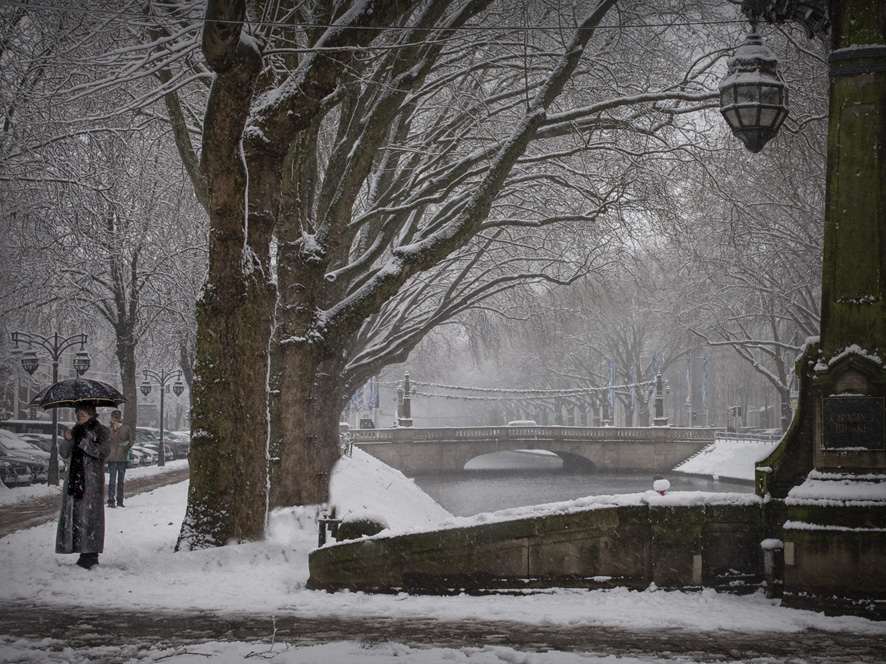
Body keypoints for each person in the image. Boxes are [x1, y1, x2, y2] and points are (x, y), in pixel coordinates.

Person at [56, 403, 110, 569]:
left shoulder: (101, 431)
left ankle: (91, 553)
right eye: (78, 415)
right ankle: (79, 550)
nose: (80, 418)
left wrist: (85, 443)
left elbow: (104, 452)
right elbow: (64, 453)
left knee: (91, 518)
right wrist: (67, 440)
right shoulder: (74, 431)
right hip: (74, 480)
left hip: (91, 482)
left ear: (92, 415)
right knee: (76, 517)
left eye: (83, 415)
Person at [106, 409, 133, 508]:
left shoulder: (126, 428)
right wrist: (114, 429)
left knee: (121, 480)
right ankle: (110, 500)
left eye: (118, 417)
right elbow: (108, 440)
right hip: (112, 458)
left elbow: (130, 440)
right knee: (112, 480)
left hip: (122, 458)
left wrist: (125, 447)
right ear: (112, 419)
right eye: (115, 417)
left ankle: (120, 500)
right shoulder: (108, 429)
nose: (117, 419)